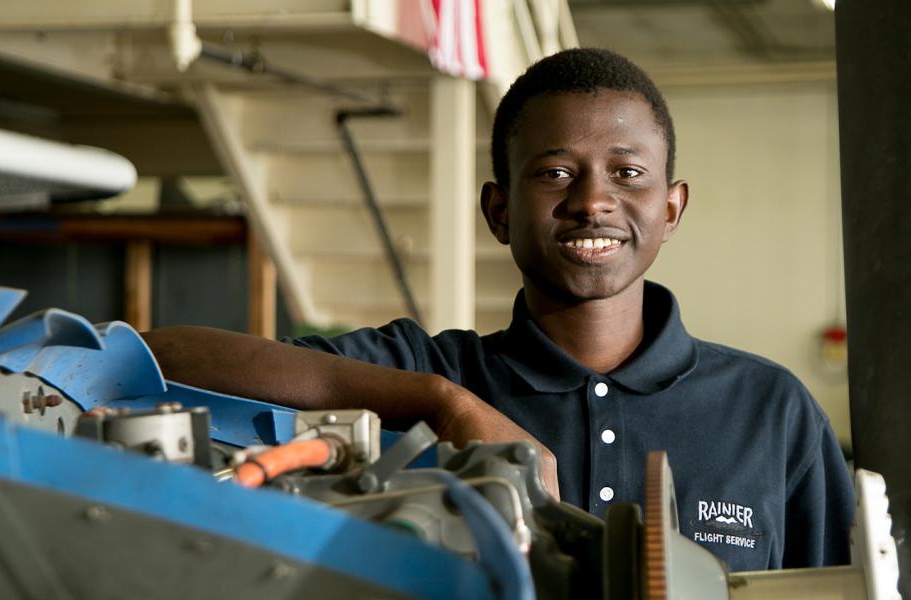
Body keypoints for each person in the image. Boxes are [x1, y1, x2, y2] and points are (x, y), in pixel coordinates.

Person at [143, 48, 853, 572]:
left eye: (627, 173)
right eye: (554, 173)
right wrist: (442, 402)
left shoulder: (771, 411)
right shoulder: (430, 372)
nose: (592, 200)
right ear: (500, 210)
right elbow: (153, 356)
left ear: (670, 210)